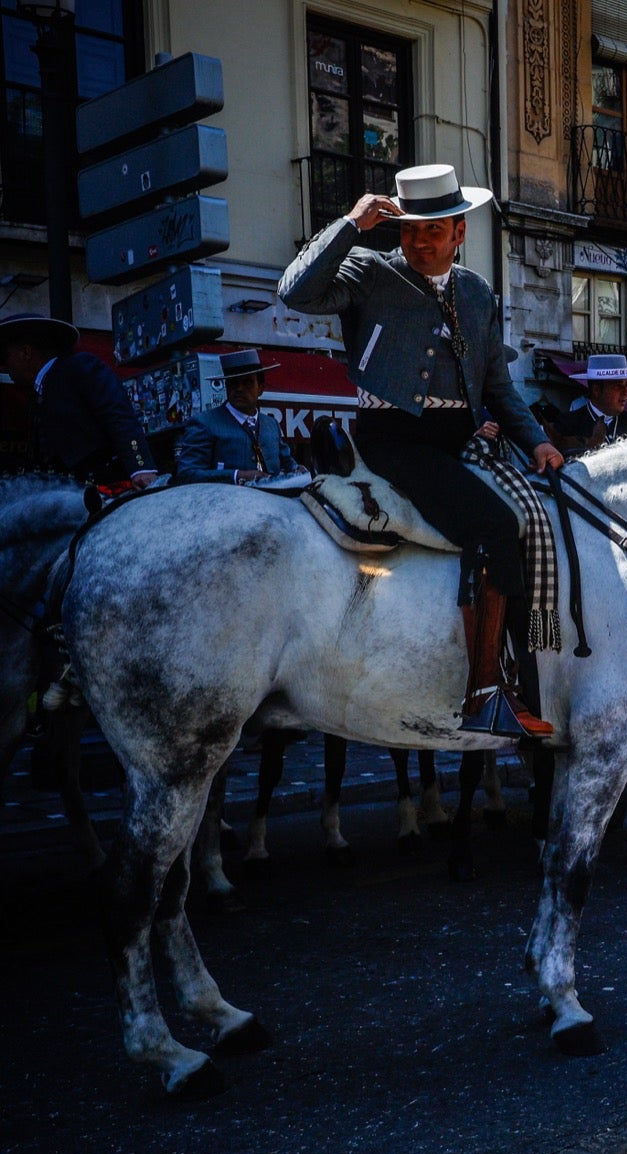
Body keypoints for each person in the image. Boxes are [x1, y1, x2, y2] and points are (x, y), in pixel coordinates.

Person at [277, 163, 565, 739]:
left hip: (462, 441)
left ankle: (535, 676)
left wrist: (537, 441)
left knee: (543, 520)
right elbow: (296, 291)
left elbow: (496, 387)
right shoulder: (366, 271)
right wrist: (351, 226)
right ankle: (484, 692)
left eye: (433, 230)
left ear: (459, 231)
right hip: (394, 441)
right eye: (410, 229)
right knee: (494, 523)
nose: (419, 242)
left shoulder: (477, 292)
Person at [0, 312, 152, 487]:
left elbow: (118, 415)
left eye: (5, 358)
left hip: (105, 483)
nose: (5, 366)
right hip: (67, 491)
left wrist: (140, 466)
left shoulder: (80, 366)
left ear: (26, 353)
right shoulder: (36, 397)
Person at [174, 350, 302, 485]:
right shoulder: (204, 423)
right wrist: (237, 476)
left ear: (261, 389)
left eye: (247, 383)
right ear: (226, 386)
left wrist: (297, 469)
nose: (239, 389)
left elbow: (287, 462)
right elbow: (187, 473)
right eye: (233, 383)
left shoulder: (271, 424)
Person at [547, 353, 627, 454]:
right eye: (618, 386)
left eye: (626, 385)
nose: (626, 392)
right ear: (596, 390)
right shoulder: (567, 424)